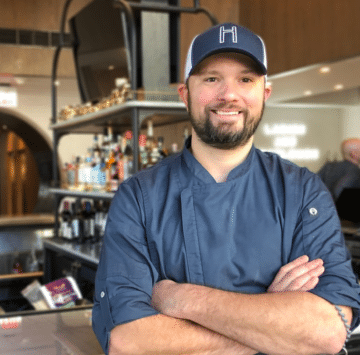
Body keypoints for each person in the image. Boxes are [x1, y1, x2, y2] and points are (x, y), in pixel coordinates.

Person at [92, 23, 360, 355]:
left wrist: (180, 299)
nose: (228, 94)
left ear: (265, 93)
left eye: (245, 79)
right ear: (184, 93)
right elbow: (129, 343)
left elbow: (327, 330)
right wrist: (272, 325)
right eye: (211, 78)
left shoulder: (303, 191)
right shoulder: (138, 197)